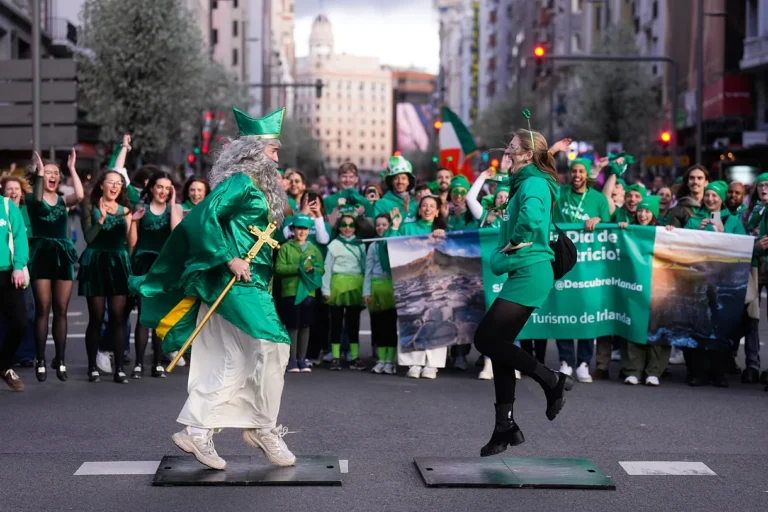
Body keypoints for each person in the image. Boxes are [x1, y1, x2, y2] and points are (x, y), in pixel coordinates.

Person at [133, 106, 295, 470]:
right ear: (255, 151)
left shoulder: (260, 187)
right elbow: (204, 218)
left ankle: (198, 429)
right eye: (274, 150)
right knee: (275, 345)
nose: (278, 156)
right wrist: (228, 258)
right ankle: (263, 427)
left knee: (235, 357)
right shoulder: (240, 183)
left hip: (253, 283)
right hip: (235, 282)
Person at [472, 127, 574, 457]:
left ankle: (551, 379)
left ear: (527, 155)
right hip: (525, 271)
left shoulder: (532, 183)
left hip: (531, 272)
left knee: (486, 340)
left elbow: (531, 217)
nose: (507, 152)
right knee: (499, 347)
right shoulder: (524, 182)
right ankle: (505, 428)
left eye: (512, 147)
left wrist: (513, 243)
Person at [676, 181, 744, 387]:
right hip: (696, 281)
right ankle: (697, 370)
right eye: (708, 195)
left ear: (722, 198)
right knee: (696, 324)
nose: (711, 199)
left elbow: (742, 248)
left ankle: (719, 371)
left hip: (723, 283)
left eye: (715, 196)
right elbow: (681, 245)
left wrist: (722, 233)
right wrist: (696, 231)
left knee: (721, 325)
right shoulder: (695, 220)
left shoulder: (733, 221)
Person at [552, 155, 612, 383]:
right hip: (564, 261)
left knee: (588, 310)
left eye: (581, 172)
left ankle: (584, 362)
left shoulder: (598, 199)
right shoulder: (560, 193)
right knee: (564, 308)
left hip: (590, 264)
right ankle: (566, 360)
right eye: (574, 171)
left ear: (588, 175)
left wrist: (599, 219)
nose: (577, 176)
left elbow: (609, 230)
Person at [26, 150, 84, 382]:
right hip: (41, 254)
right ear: (40, 176)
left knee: (61, 309)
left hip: (62, 255)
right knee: (43, 308)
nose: (52, 176)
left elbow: (79, 195)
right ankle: (40, 359)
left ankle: (59, 359)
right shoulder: (32, 198)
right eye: (48, 173)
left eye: (55, 173)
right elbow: (39, 199)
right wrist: (40, 171)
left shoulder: (63, 200)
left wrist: (71, 168)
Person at [78, 169, 134, 383]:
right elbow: (89, 238)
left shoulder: (126, 210)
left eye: (118, 183)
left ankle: (119, 368)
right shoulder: (90, 206)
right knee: (96, 317)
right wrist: (101, 219)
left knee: (119, 318)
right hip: (95, 262)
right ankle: (92, 366)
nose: (114, 186)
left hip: (118, 263)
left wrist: (126, 263)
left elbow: (130, 242)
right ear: (101, 185)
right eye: (110, 182)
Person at [128, 171, 183, 379]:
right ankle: (139, 364)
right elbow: (132, 243)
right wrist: (133, 222)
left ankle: (157, 362)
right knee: (144, 315)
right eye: (159, 187)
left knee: (159, 316)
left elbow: (175, 232)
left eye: (167, 188)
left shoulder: (174, 208)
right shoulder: (140, 208)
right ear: (151, 188)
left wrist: (174, 203)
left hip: (163, 267)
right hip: (143, 264)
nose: (163, 191)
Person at [388, 195, 448, 379]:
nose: (428, 209)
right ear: (419, 209)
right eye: (424, 206)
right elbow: (391, 246)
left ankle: (432, 364)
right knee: (412, 319)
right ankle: (414, 362)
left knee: (435, 320)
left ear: (437, 211)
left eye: (432, 206)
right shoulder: (408, 228)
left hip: (436, 283)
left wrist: (443, 239)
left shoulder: (444, 231)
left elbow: (449, 253)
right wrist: (395, 227)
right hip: (412, 281)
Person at [617, 196, 670, 385]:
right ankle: (633, 369)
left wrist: (671, 233)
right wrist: (622, 228)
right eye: (640, 210)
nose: (643, 214)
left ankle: (654, 371)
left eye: (648, 211)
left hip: (658, 286)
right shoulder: (630, 229)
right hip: (634, 286)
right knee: (634, 325)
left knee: (657, 327)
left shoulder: (663, 231)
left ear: (654, 213)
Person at [276, 214, 324, 373]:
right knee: (292, 326)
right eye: (299, 228)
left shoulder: (313, 249)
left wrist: (313, 269)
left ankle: (302, 359)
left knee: (305, 326)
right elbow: (279, 269)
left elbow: (321, 268)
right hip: (290, 291)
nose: (302, 232)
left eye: (305, 228)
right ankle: (292, 360)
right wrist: (298, 268)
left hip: (308, 292)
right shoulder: (286, 248)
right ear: (293, 230)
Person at [322, 208, 367, 371]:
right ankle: (335, 356)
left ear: (356, 227)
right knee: (336, 322)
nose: (347, 228)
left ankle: (354, 356)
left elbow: (364, 267)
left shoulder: (360, 244)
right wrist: (326, 289)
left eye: (351, 225)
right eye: (344, 225)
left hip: (355, 285)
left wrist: (365, 290)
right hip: (338, 285)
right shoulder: (334, 245)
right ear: (339, 227)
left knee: (354, 323)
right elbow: (327, 268)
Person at [0, 176, 35, 367]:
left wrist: (19, 267)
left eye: (16, 188)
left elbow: (20, 238)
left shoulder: (8, 207)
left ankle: (9, 360)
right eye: (9, 188)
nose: (13, 192)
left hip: (9, 272)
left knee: (22, 320)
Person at [364, 213, 398, 375]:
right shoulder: (373, 245)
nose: (380, 228)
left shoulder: (394, 243)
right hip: (376, 289)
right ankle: (381, 359)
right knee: (379, 326)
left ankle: (390, 361)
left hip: (391, 288)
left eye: (384, 225)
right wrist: (367, 291)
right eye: (378, 225)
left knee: (390, 326)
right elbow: (368, 270)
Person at [374, 155, 418, 223]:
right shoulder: (381, 204)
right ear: (391, 182)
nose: (400, 182)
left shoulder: (416, 203)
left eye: (403, 178)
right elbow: (380, 229)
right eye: (396, 178)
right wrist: (404, 211)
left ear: (408, 182)